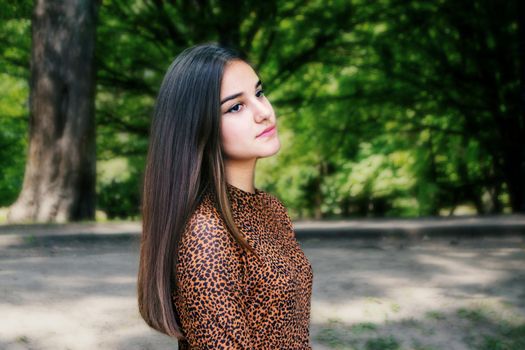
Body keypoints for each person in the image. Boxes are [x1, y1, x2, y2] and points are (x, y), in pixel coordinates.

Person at [137, 43, 314, 349]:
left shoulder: (270, 209)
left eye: (259, 93)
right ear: (199, 128)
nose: (264, 112)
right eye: (235, 107)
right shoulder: (206, 234)